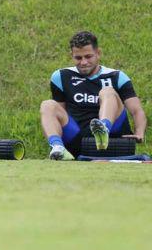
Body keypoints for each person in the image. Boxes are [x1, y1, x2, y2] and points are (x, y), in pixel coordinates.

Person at [41, 30, 146, 160]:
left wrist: (139, 132)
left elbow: (136, 110)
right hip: (78, 136)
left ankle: (103, 130)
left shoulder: (116, 76)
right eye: (78, 58)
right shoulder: (61, 76)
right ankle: (58, 148)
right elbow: (60, 113)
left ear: (98, 53)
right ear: (71, 55)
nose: (83, 62)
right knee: (47, 105)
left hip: (113, 135)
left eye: (88, 56)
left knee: (107, 91)